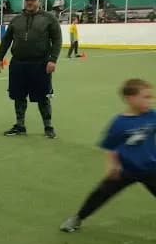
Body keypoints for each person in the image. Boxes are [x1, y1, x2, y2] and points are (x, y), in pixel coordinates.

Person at [60, 79, 156, 232]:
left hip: (151, 168)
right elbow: (110, 147)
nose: (150, 100)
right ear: (130, 99)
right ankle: (77, 218)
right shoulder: (119, 123)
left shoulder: (152, 115)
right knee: (101, 194)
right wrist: (112, 165)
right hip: (125, 169)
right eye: (146, 97)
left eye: (151, 97)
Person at [0, 0, 62, 139]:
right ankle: (20, 126)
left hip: (40, 64)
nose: (29, 2)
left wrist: (53, 59)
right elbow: (6, 40)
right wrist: (0, 58)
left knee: (43, 97)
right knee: (18, 96)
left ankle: (48, 127)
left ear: (39, 1)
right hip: (18, 64)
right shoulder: (16, 20)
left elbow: (57, 39)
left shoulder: (49, 19)